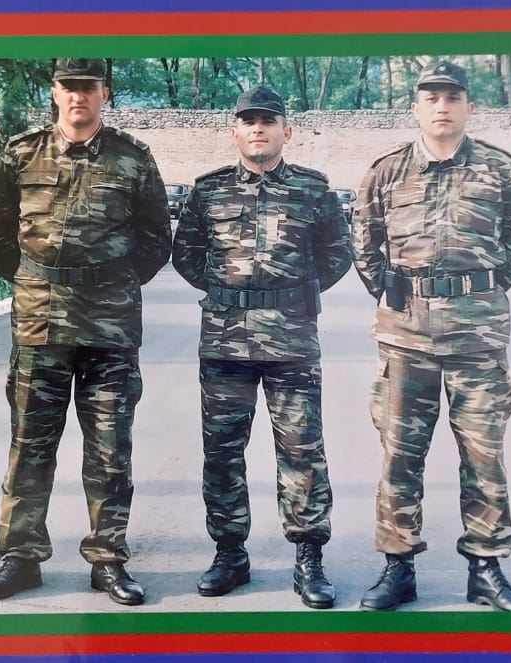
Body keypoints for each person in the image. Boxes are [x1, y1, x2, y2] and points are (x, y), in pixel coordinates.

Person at [0, 58, 172, 606]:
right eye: (69, 86)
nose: (78, 95)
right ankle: (20, 559)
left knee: (110, 449)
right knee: (29, 445)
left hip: (110, 325)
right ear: (55, 91)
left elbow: (156, 238)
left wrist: (113, 283)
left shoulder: (133, 157)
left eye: (88, 86)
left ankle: (108, 559)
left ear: (104, 92)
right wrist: (36, 281)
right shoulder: (21, 153)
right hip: (40, 322)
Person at [352, 60, 511, 611]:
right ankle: (398, 567)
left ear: (468, 107)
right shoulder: (386, 171)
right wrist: (406, 298)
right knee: (399, 455)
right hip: (405, 337)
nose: (442, 107)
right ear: (416, 107)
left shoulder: (500, 170)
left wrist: (473, 296)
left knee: (484, 455)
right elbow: (364, 246)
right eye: (431, 97)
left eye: (452, 97)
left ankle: (486, 569)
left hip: (477, 340)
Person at [172, 86, 351, 610]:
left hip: (292, 339)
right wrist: (231, 293)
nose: (258, 129)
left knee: (302, 451)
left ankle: (309, 557)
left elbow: (337, 255)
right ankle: (230, 553)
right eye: (248, 121)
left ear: (285, 131)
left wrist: (286, 294)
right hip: (225, 339)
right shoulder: (208, 191)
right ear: (235, 131)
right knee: (222, 450)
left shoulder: (313, 190)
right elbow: (187, 255)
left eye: (268, 121)